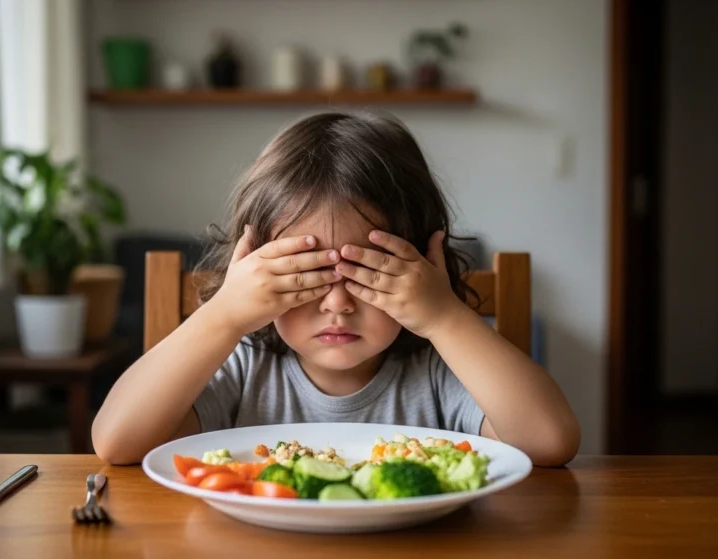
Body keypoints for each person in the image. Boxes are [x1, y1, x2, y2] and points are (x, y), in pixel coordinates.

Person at [92, 111, 580, 467]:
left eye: (369, 274)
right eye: (304, 275)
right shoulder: (243, 364)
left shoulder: (439, 368)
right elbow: (116, 442)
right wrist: (223, 315)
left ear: (424, 268)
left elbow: (550, 442)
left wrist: (445, 317)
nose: (338, 303)